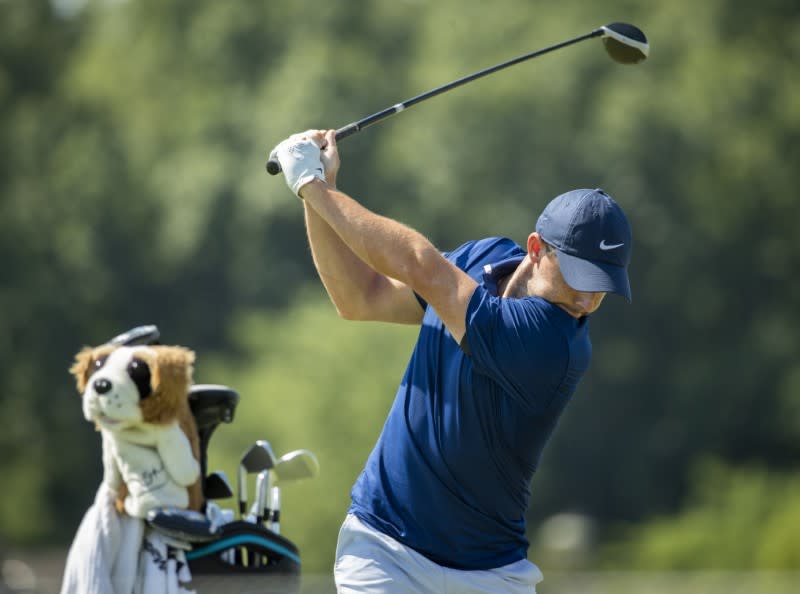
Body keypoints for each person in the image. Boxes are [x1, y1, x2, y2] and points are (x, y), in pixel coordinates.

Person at [270, 129, 633, 594]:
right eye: (579, 277)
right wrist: (321, 192)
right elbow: (361, 297)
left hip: (489, 575)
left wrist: (311, 185)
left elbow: (422, 267)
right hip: (384, 548)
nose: (587, 298)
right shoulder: (485, 259)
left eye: (602, 284)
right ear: (536, 249)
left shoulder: (557, 344)